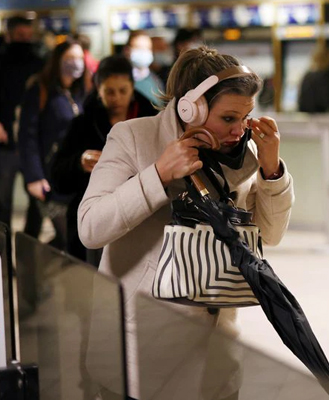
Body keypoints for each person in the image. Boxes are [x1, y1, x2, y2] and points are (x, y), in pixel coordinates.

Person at [78, 45, 294, 399]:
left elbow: (269, 236)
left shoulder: (246, 154)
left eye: (246, 116)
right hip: (141, 342)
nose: (240, 130)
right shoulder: (132, 138)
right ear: (189, 107)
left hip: (216, 349)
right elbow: (90, 228)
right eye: (228, 118)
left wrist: (272, 173)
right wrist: (159, 174)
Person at [51, 55, 157, 265]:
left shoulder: (151, 122)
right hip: (92, 224)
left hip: (140, 220)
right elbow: (56, 175)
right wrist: (79, 163)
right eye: (109, 91)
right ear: (98, 89)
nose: (116, 97)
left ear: (132, 89)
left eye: (122, 91)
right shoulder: (82, 125)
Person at [18, 37, 87, 248]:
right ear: (58, 60)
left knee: (41, 230)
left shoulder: (79, 93)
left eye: (79, 58)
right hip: (47, 177)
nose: (75, 63)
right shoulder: (40, 90)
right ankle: (32, 267)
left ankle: (31, 267)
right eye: (69, 58)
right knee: (65, 237)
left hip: (70, 173)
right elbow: (27, 136)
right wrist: (34, 177)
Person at [0, 16, 44, 231]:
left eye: (28, 36)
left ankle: (30, 244)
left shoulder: (39, 64)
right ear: (9, 35)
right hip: (5, 144)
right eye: (20, 36)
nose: (25, 40)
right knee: (2, 203)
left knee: (38, 201)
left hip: (31, 143)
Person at [122, 30, 164, 106]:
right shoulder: (121, 80)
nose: (144, 52)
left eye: (147, 48)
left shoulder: (156, 81)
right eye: (139, 48)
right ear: (127, 50)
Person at [297, 44, 329, 113]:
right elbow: (323, 102)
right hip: (318, 118)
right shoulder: (322, 77)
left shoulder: (307, 75)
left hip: (305, 116)